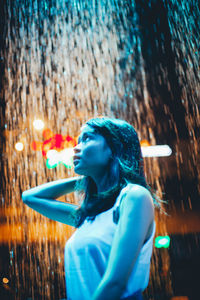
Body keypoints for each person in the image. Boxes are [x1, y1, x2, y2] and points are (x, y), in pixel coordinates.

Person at [22, 116, 159, 300]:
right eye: (78, 141)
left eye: (86, 138)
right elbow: (30, 197)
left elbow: (115, 283)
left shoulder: (134, 196)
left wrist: (95, 174)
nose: (76, 147)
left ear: (113, 148)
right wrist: (86, 178)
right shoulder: (88, 216)